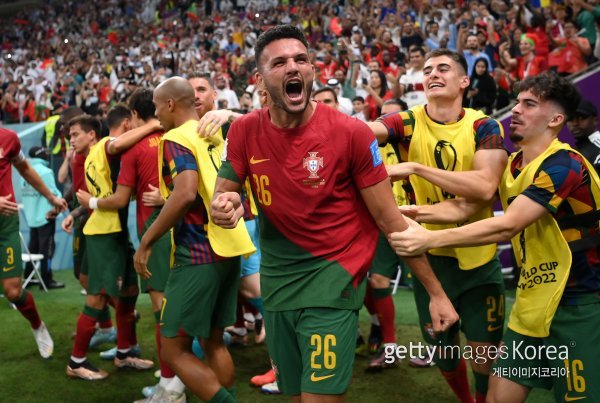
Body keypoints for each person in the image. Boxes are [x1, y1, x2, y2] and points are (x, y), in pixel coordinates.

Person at [210, 25, 457, 402]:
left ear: (312, 70)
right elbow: (224, 193)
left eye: (301, 59)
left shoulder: (351, 133)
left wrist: (435, 292)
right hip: (276, 286)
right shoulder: (243, 131)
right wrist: (225, 206)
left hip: (333, 282)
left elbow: (390, 220)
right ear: (260, 80)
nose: (293, 67)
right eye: (279, 62)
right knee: (294, 394)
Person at [389, 72, 600, 403]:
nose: (515, 109)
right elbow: (464, 207)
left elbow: (507, 226)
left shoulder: (566, 165)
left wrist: (429, 240)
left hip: (580, 305)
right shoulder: (512, 165)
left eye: (529, 104)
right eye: (517, 102)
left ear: (555, 120)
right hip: (531, 305)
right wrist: (413, 214)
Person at [368, 48, 508, 402]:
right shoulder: (408, 121)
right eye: (428, 69)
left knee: (484, 354)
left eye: (443, 68)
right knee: (444, 353)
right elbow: (365, 131)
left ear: (464, 81)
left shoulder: (483, 125)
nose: (433, 73)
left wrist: (416, 168)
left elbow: (484, 188)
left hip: (478, 257)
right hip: (429, 259)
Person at [134, 76, 255, 402]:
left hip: (199, 250)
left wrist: (147, 241)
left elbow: (185, 192)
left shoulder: (176, 137)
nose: (156, 114)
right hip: (230, 246)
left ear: (170, 104)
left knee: (173, 349)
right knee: (214, 341)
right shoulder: (215, 133)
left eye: (157, 107)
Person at [74, 90, 183, 401]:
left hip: (145, 231)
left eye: (75, 135)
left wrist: (89, 203)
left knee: (152, 305)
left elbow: (122, 197)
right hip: (170, 229)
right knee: (120, 296)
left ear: (133, 116)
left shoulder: (130, 148)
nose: (72, 141)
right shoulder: (175, 137)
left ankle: (170, 382)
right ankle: (114, 354)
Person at [66, 111, 154, 381]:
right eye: (70, 136)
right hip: (103, 233)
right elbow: (116, 144)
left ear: (91, 134)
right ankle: (76, 361)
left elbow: (117, 146)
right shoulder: (102, 147)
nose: (71, 140)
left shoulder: (95, 153)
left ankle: (124, 354)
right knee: (98, 297)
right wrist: (154, 125)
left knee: (128, 292)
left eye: (75, 135)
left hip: (112, 233)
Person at [0, 127, 67, 359]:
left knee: (13, 291)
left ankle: (37, 325)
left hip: (5, 224)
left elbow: (25, 169)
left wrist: (51, 196)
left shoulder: (8, 138)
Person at [20, 146, 64, 289]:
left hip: (31, 217)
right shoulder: (45, 172)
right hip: (46, 216)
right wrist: (60, 202)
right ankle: (47, 280)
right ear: (42, 155)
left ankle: (28, 277)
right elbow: (53, 194)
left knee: (33, 247)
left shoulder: (24, 171)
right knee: (47, 249)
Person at [567, 99, 600, 174]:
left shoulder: (598, 146)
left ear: (595, 120)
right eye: (570, 119)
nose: (575, 123)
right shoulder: (577, 149)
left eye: (581, 118)